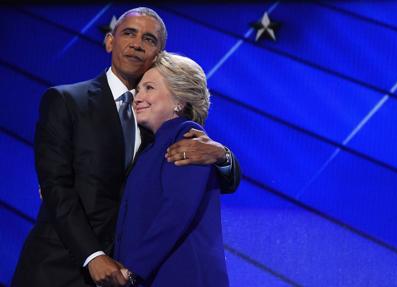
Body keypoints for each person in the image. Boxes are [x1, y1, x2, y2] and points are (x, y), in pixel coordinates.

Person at [12, 7, 240, 287]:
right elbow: (56, 186)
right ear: (110, 41)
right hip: (61, 267)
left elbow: (192, 188)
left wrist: (223, 156)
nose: (136, 44)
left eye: (149, 39)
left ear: (159, 54)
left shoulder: (162, 123)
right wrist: (93, 256)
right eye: (129, 33)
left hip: (127, 272)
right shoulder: (66, 101)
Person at [115, 51, 228, 287]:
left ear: (180, 100)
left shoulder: (188, 137)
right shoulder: (153, 147)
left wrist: (133, 270)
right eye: (138, 89)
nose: (137, 97)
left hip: (181, 275)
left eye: (149, 88)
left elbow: (178, 208)